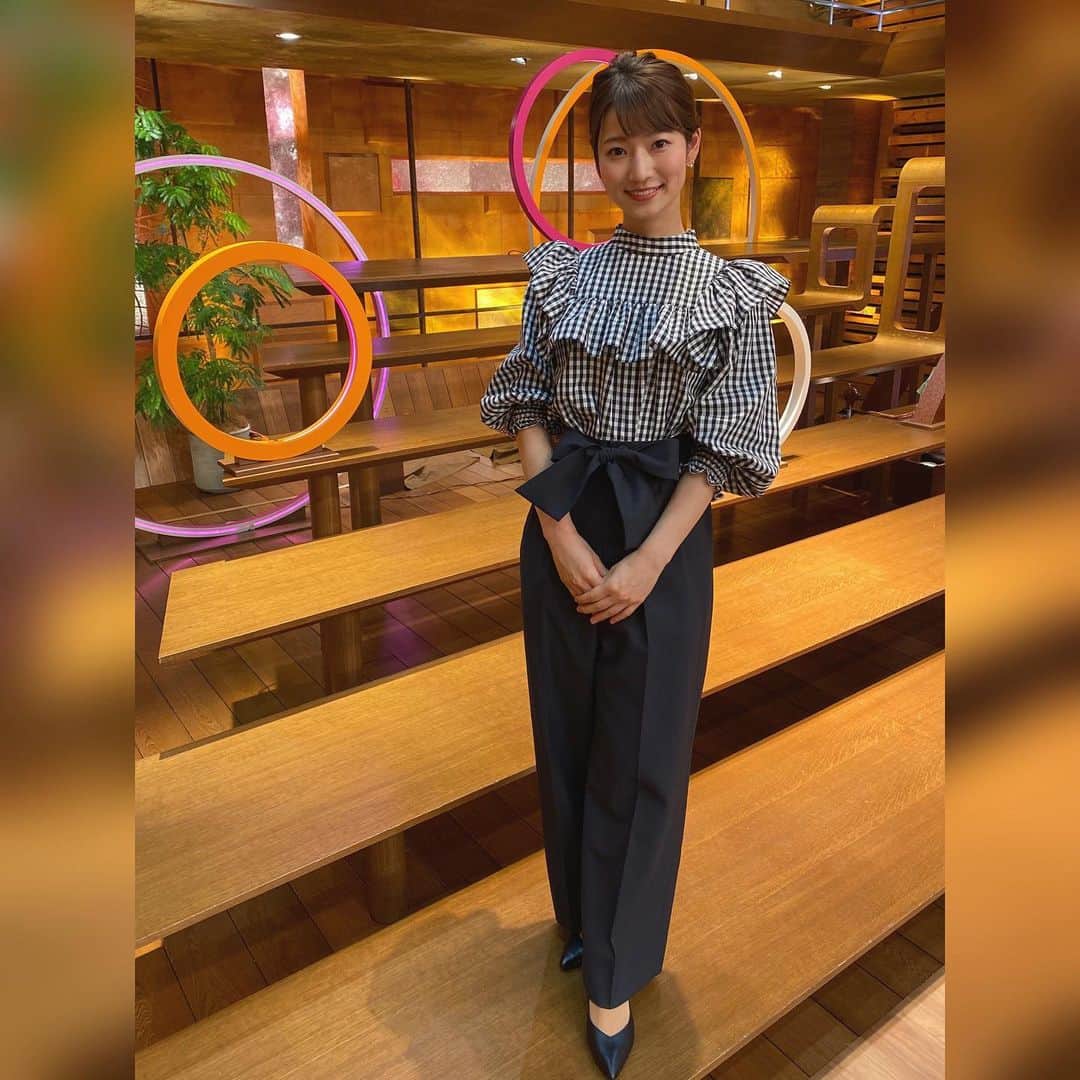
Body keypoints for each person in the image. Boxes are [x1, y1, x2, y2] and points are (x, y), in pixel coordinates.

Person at [479, 50, 789, 1079]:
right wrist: (560, 535)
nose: (639, 168)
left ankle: (616, 972)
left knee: (645, 753)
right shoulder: (562, 273)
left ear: (693, 146)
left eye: (658, 142)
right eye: (617, 148)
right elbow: (525, 401)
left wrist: (651, 559)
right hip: (563, 511)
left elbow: (726, 449)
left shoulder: (732, 291)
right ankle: (580, 922)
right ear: (597, 160)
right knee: (566, 734)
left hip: (666, 529)